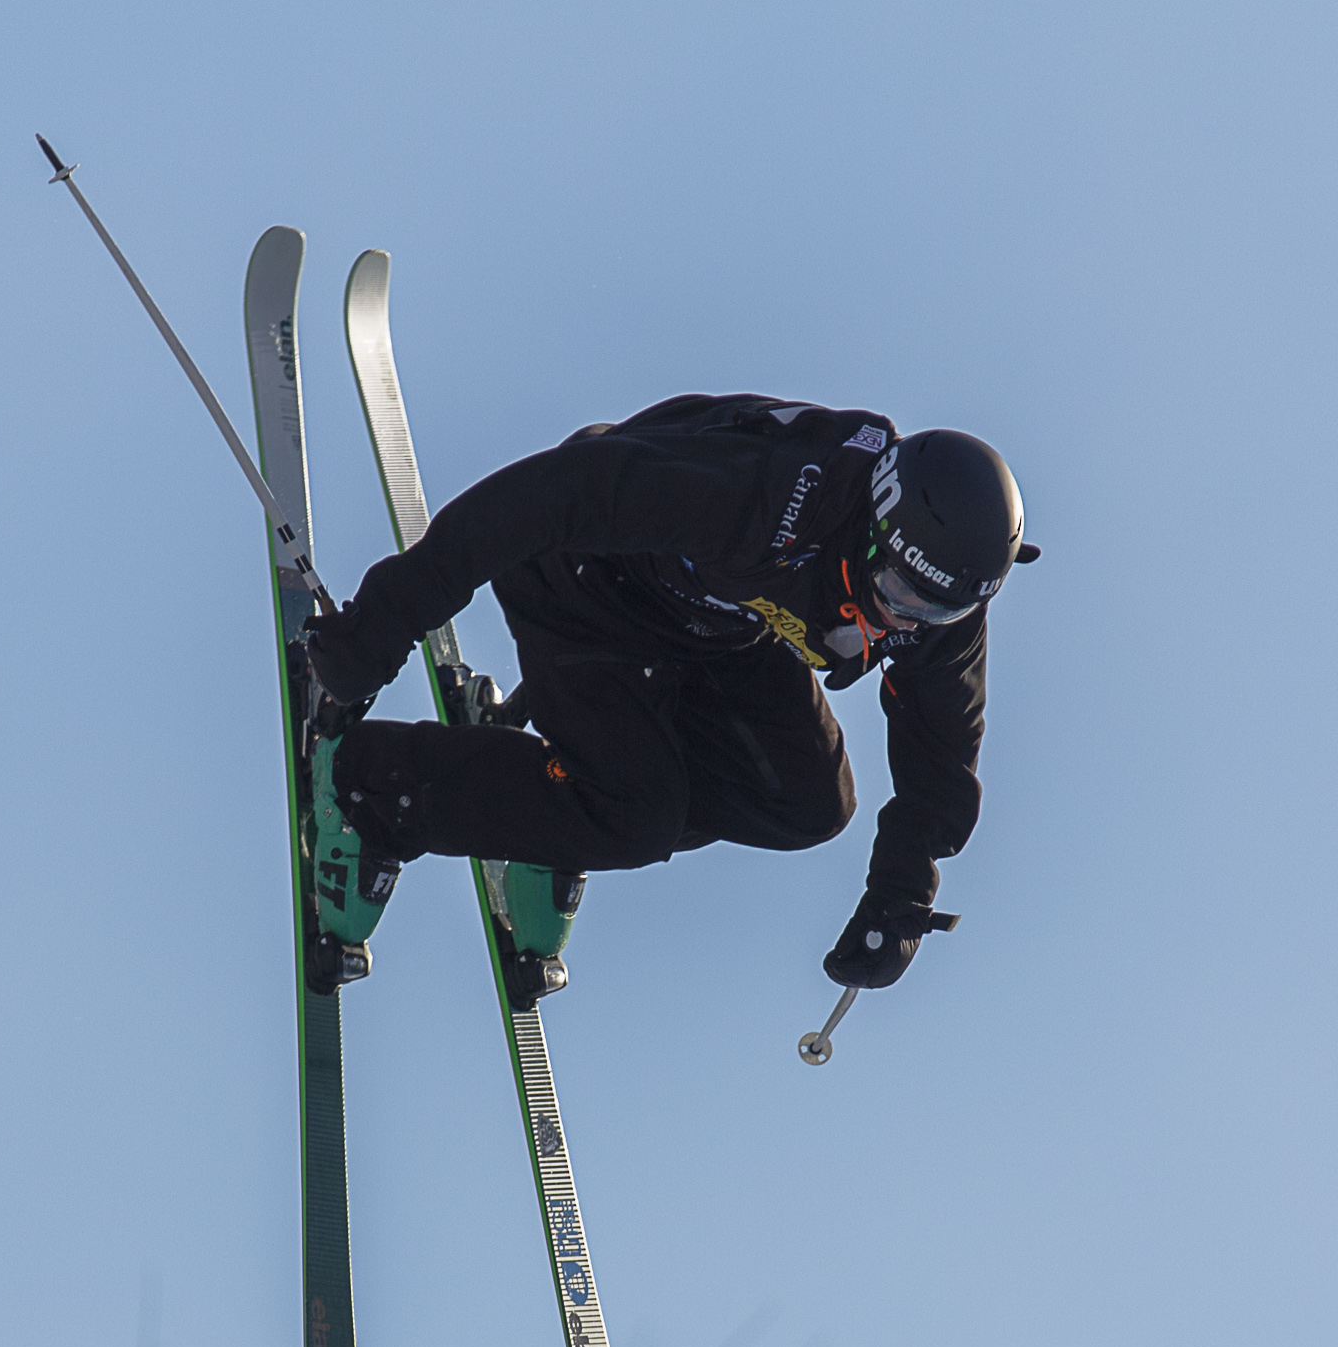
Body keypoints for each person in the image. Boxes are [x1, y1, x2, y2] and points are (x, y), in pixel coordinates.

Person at [296, 394, 1034, 1004]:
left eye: (935, 613)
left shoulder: (938, 601)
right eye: (902, 592)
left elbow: (940, 750)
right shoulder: (764, 493)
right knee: (635, 816)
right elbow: (540, 500)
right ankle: (370, 787)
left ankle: (555, 808)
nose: (904, 621)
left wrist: (901, 892)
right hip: (589, 587)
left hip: (720, 635)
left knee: (808, 803)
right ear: (877, 528)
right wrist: (381, 626)